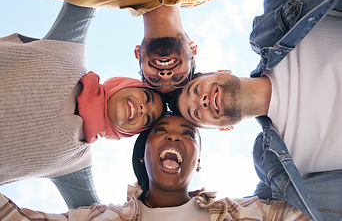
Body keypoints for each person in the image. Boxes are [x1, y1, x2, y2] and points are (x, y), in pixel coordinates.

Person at [169, 0, 342, 220]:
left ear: (222, 71)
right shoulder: (272, 167)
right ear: (224, 127)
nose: (203, 102)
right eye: (196, 114)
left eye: (196, 90)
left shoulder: (276, 28)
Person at [0, 1, 166, 209]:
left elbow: (90, 216)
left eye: (148, 118)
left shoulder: (75, 163)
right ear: (127, 84)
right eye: (147, 98)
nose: (143, 108)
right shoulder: (67, 52)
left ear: (128, 133)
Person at [0, 113, 309, 220]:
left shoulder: (247, 213)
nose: (174, 135)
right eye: (160, 131)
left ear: (197, 160)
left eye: (188, 134)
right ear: (143, 153)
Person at [0, 0, 241, 93]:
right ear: (193, 48)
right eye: (179, 80)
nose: (166, 76)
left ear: (138, 54)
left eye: (155, 81)